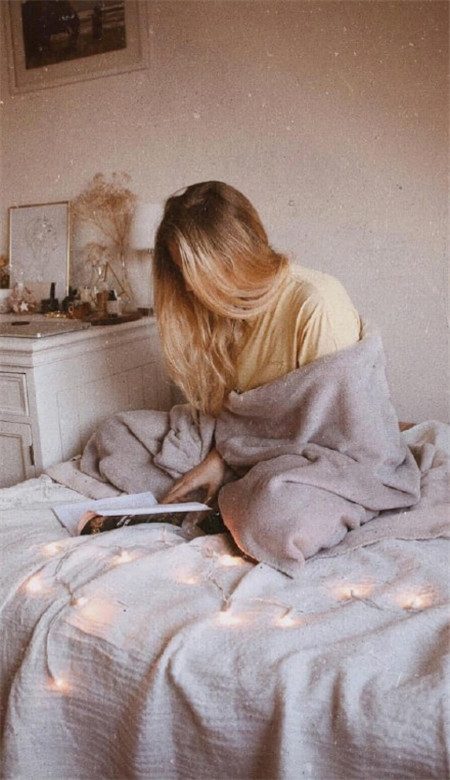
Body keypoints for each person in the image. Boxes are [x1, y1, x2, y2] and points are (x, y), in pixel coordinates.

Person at [153, 180, 361, 508]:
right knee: (116, 434)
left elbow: (331, 437)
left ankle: (237, 495)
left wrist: (226, 460)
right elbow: (230, 417)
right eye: (183, 272)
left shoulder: (315, 303)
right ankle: (227, 491)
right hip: (237, 447)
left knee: (274, 508)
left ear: (238, 256)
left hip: (307, 457)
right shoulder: (225, 307)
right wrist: (220, 457)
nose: (189, 289)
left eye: (200, 273)